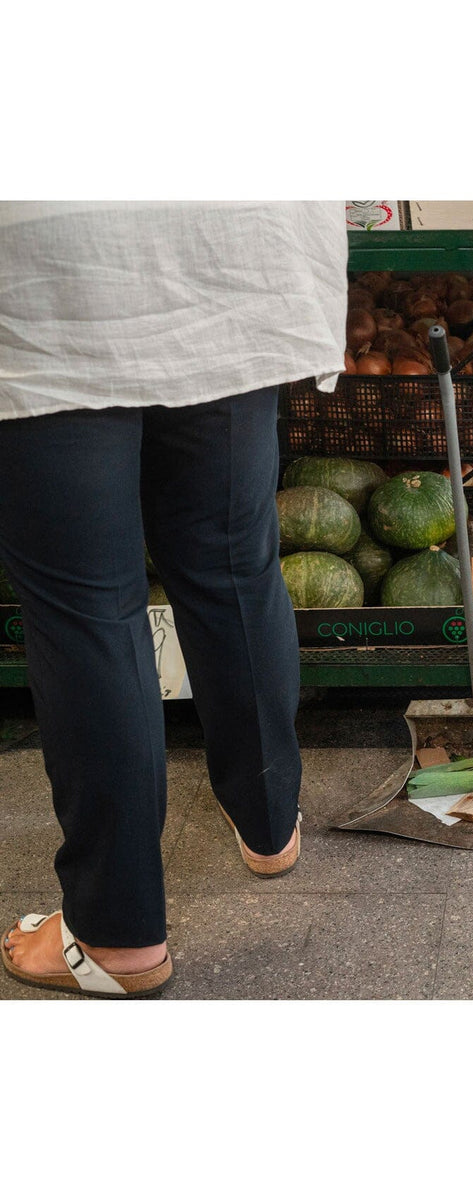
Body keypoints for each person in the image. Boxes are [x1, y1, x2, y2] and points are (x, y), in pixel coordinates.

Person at [0, 201, 347, 996]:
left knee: (89, 615)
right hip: (226, 246)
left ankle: (118, 937)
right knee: (231, 561)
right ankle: (269, 826)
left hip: (52, 270)